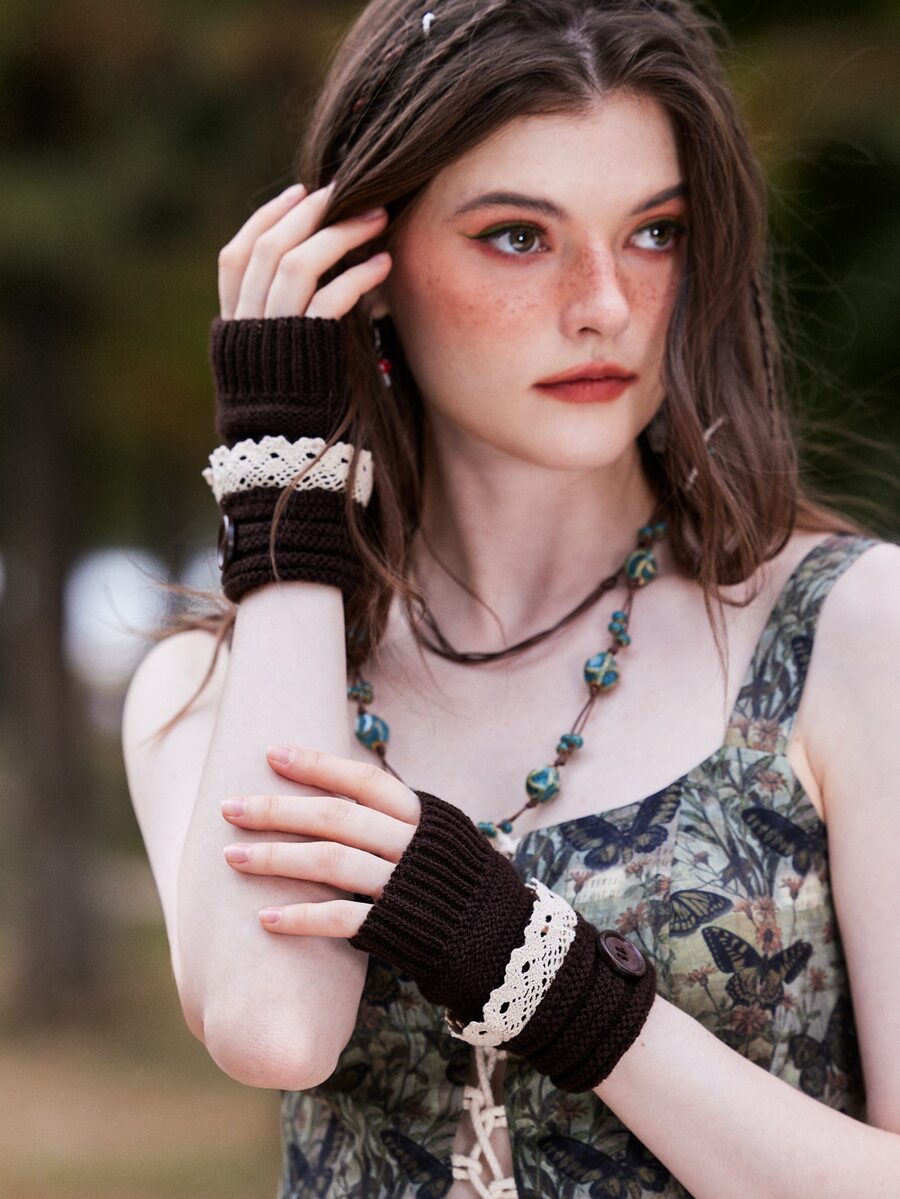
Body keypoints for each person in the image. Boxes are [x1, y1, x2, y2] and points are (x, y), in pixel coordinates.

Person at [121, 1, 900, 1196]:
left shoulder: (850, 629)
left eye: (654, 232)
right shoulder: (213, 682)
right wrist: (282, 480)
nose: (606, 304)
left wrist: (551, 981)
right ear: (367, 268)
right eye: (519, 237)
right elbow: (274, 1026)